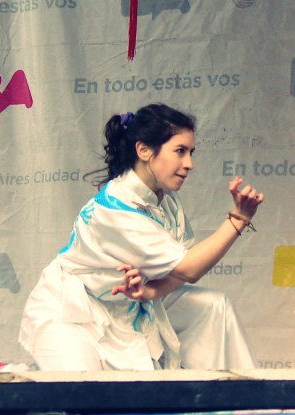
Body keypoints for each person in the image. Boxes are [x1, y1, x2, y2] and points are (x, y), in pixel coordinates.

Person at [19, 103, 264, 370]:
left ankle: (243, 395)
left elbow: (178, 272)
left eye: (191, 152)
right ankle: (11, 372)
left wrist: (152, 291)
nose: (189, 164)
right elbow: (189, 269)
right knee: (80, 389)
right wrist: (238, 218)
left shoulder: (166, 201)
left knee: (214, 306)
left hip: (127, 307)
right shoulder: (115, 208)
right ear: (144, 150)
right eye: (180, 151)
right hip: (72, 312)